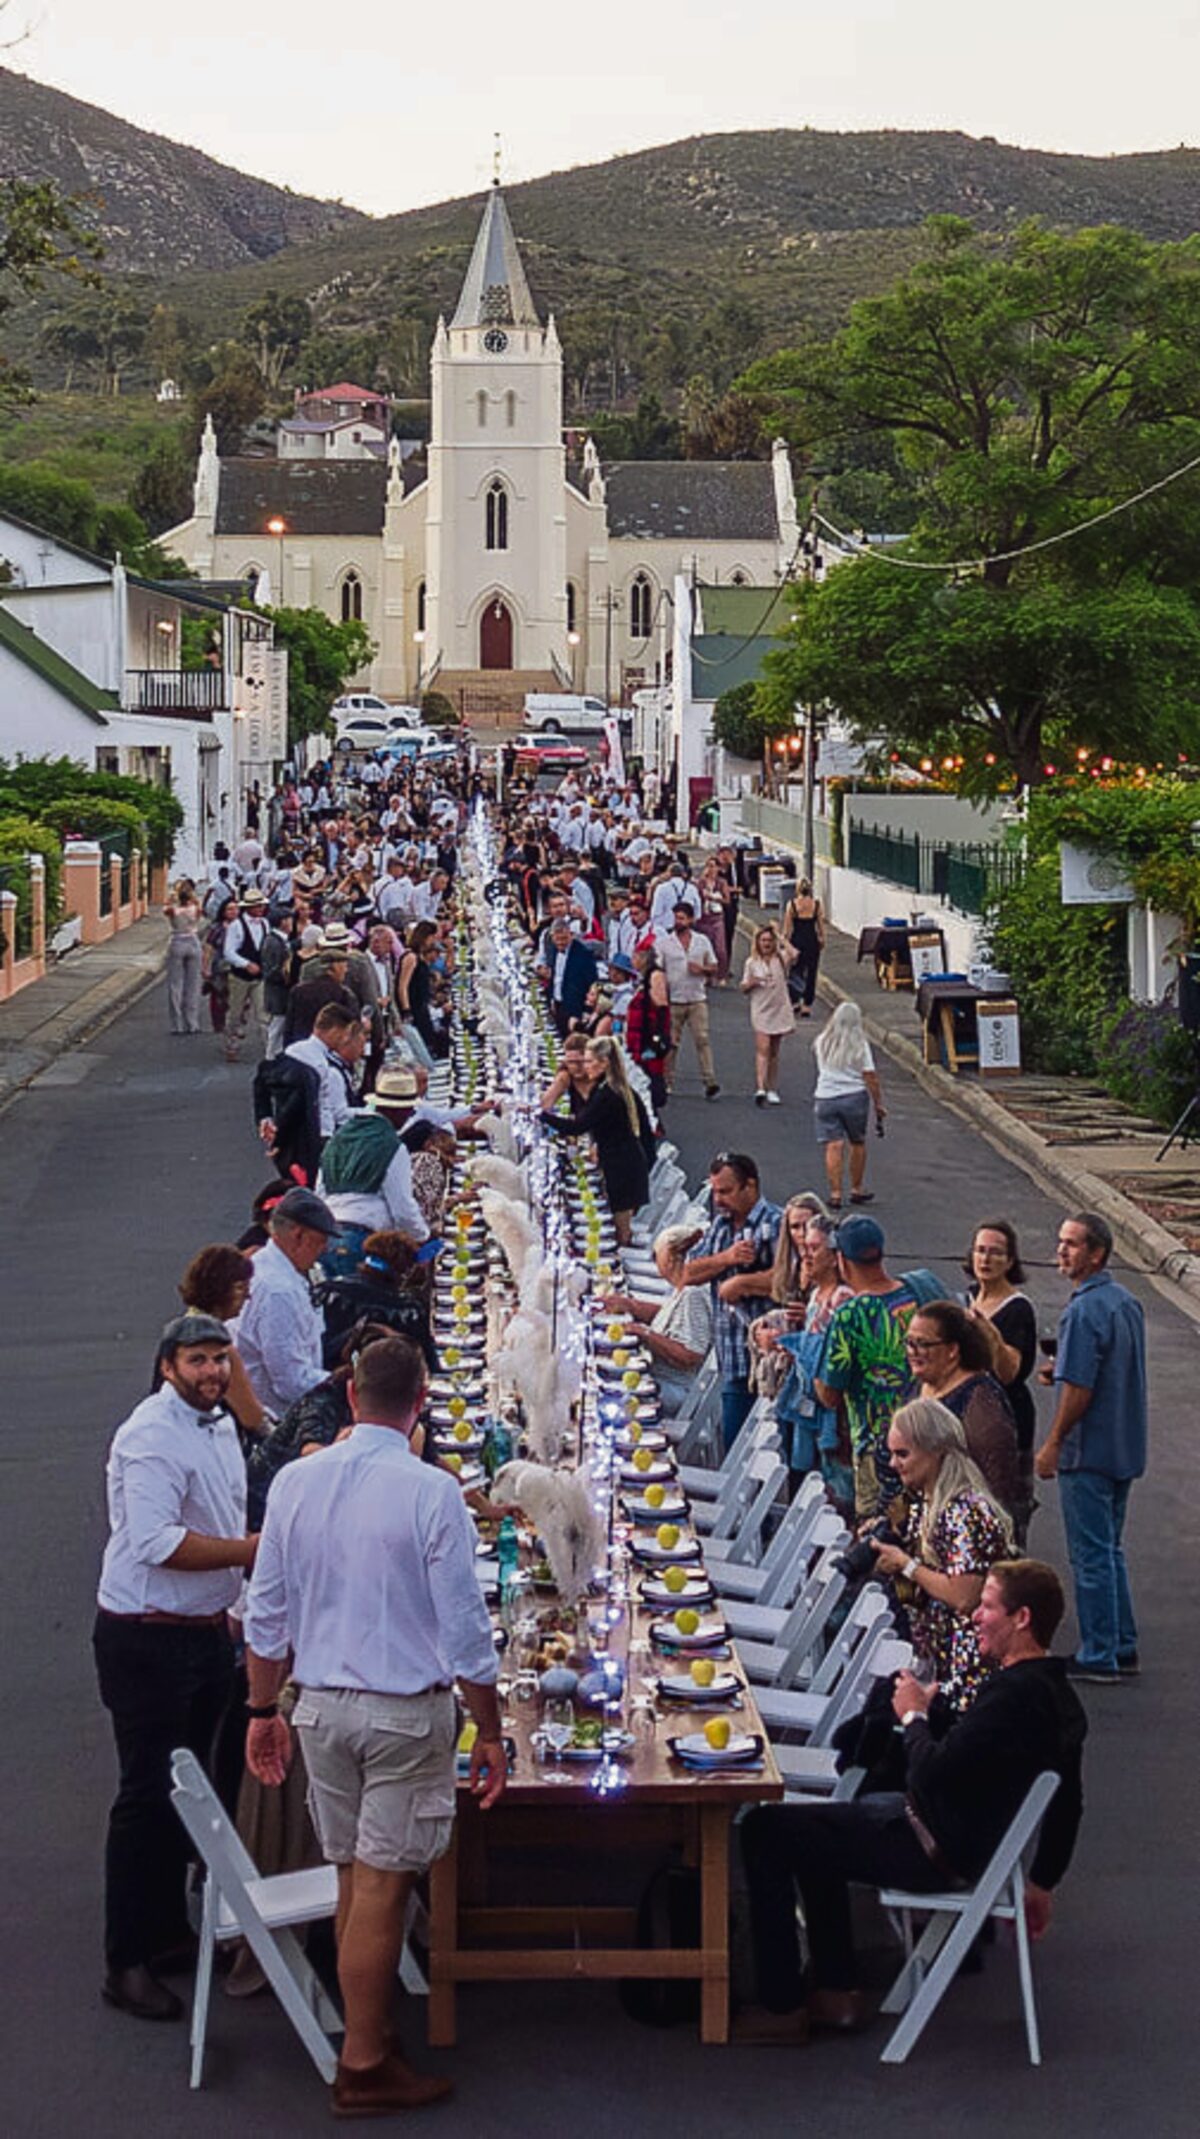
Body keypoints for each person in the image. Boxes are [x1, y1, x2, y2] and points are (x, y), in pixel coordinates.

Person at [243, 1335, 505, 2114]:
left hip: (319, 1703)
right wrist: (489, 1729)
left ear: (353, 1397)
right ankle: (362, 2059)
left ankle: (373, 2029)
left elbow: (267, 1612)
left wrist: (263, 1708)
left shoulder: (295, 1481)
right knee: (385, 1883)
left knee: (354, 1873)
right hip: (401, 1711)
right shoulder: (432, 1493)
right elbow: (465, 1630)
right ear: (419, 1402)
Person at [738, 1559, 1087, 2039]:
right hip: (954, 1842)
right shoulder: (1058, 1699)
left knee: (764, 1830)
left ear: (1021, 1618)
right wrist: (1043, 1882)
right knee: (812, 1829)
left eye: (986, 1607)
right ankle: (835, 1990)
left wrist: (913, 1716)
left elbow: (931, 1773)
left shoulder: (1011, 1697)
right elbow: (1069, 1805)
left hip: (928, 1846)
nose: (974, 1617)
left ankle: (781, 2008)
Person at [93, 1313, 258, 2022]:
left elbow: (220, 1511)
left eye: (220, 1358)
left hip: (201, 1633)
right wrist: (249, 1554)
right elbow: (158, 1543)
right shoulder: (151, 1437)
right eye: (197, 1359)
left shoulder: (219, 1425)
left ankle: (166, 1931)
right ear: (168, 1366)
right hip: (145, 1638)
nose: (212, 1371)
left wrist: (233, 1602)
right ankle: (124, 1960)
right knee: (143, 1793)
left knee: (186, 1788)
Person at [1036, 1211, 1148, 1684]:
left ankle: (1098, 1652)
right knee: (1111, 1548)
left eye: (1073, 1244)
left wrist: (1053, 1442)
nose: (1062, 1251)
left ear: (1097, 1254)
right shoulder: (1124, 1303)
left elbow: (1080, 1389)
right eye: (1061, 1241)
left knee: (1090, 1554)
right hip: (1124, 1445)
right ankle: (1121, 1641)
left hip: (1088, 1450)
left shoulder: (1081, 1311)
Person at [872, 1398, 1015, 1709]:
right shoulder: (928, 1500)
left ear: (935, 1451)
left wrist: (907, 1565)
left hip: (973, 1669)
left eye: (902, 1454)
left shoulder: (965, 1511)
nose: (894, 1464)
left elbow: (964, 1596)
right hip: (945, 1657)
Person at [813, 1215, 930, 1519]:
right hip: (926, 1438)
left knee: (877, 1531)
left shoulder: (849, 1315)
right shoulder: (915, 1295)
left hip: (875, 1447)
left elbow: (829, 1395)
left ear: (842, 1260)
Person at [683, 1152, 782, 1449]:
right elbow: (689, 1273)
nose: (717, 1199)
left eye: (725, 1191)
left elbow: (788, 1280)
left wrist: (743, 1283)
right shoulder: (722, 1225)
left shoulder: (776, 1223)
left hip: (763, 1361)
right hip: (731, 1358)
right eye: (714, 1191)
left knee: (754, 1449)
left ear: (750, 1187)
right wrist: (727, 1258)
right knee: (733, 1445)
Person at [904, 1299, 1020, 1518]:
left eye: (923, 1344)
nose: (912, 1351)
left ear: (952, 1350)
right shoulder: (918, 1385)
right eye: (909, 1342)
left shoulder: (981, 1402)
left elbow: (995, 1484)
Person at [235, 1188, 336, 1418]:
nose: (324, 1249)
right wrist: (341, 1383)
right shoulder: (278, 1291)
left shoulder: (270, 1268)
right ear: (298, 1236)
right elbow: (290, 1382)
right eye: (319, 1241)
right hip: (278, 1418)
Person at [540, 1035, 650, 1245]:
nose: (585, 1067)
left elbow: (578, 1127)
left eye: (589, 1061)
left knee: (620, 1233)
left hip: (623, 1168)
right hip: (620, 1162)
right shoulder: (606, 1088)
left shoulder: (607, 1094)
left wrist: (542, 1116)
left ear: (604, 1063)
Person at [600, 1223, 713, 1413]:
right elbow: (669, 1315)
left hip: (674, 1388)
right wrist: (631, 1306)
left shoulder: (693, 1293)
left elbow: (690, 1355)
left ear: (670, 1259)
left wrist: (645, 1333)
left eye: (657, 1256)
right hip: (657, 1375)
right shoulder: (684, 1287)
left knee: (609, 1389)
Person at [963, 1218, 1038, 1463]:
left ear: (1009, 1261)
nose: (985, 1260)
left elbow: (1008, 1374)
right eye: (980, 1251)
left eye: (996, 1253)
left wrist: (989, 1332)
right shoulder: (969, 1296)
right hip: (970, 1415)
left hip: (1006, 1419)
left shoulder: (1017, 1308)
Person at [316, 1229, 439, 1373]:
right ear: (406, 1271)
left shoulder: (327, 1292)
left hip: (329, 1374)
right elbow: (428, 1364)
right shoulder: (407, 1311)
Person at [177, 1244, 264, 1435]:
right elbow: (252, 1418)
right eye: (241, 1288)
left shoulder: (181, 1331)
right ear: (220, 1288)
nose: (248, 1296)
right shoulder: (218, 1349)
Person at [812, 1000, 886, 1208]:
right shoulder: (860, 1044)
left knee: (833, 1145)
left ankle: (835, 1193)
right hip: (853, 1097)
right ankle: (856, 1187)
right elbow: (870, 1075)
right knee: (857, 1142)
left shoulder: (821, 1041)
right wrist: (878, 1104)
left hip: (825, 1097)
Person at [661, 902, 719, 1099]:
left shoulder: (702, 941)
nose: (679, 922)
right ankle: (667, 1081)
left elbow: (714, 966)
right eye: (676, 918)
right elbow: (658, 971)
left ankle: (709, 1081)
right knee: (672, 1043)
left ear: (691, 920)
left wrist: (702, 970)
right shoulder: (665, 943)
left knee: (702, 1039)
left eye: (683, 918)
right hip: (674, 999)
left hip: (697, 998)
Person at [740, 923, 798, 1106]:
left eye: (769, 940)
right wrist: (753, 982)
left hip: (778, 1008)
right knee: (762, 1048)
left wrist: (780, 936)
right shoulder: (751, 962)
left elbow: (795, 954)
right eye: (763, 940)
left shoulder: (780, 959)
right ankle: (760, 1088)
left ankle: (772, 1087)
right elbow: (743, 987)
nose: (766, 943)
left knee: (774, 1051)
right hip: (761, 1009)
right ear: (757, 942)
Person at [222, 885, 270, 1064]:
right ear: (249, 908)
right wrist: (246, 964)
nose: (261, 909)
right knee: (235, 1012)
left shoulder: (265, 923)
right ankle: (231, 1043)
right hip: (240, 977)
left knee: (263, 1014)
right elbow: (229, 952)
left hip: (259, 977)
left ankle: (269, 1050)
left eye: (261, 905)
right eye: (257, 906)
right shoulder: (236, 926)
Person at [624, 942, 673, 1113]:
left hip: (648, 1039)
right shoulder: (642, 977)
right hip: (639, 1037)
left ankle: (653, 1122)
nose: (632, 960)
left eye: (635, 956)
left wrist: (655, 1040)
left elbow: (661, 1007)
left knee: (649, 1077)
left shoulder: (655, 976)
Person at [540, 916, 600, 1038]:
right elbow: (554, 976)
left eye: (564, 939)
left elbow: (593, 984)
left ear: (571, 935)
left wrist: (585, 1012)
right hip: (557, 1004)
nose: (561, 943)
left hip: (575, 1007)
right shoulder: (552, 950)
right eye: (558, 939)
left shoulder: (583, 954)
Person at [163, 878, 203, 1034]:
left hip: (177, 940)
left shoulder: (173, 910)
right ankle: (192, 1023)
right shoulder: (195, 908)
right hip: (193, 941)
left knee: (175, 985)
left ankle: (176, 1024)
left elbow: (166, 908)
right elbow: (200, 911)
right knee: (193, 984)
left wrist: (172, 897)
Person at [782, 877, 825, 1017]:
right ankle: (807, 1004)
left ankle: (795, 1001)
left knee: (795, 971)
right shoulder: (816, 905)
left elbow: (787, 929)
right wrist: (822, 940)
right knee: (811, 972)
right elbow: (821, 927)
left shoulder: (792, 905)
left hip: (797, 941)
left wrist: (785, 944)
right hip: (811, 940)